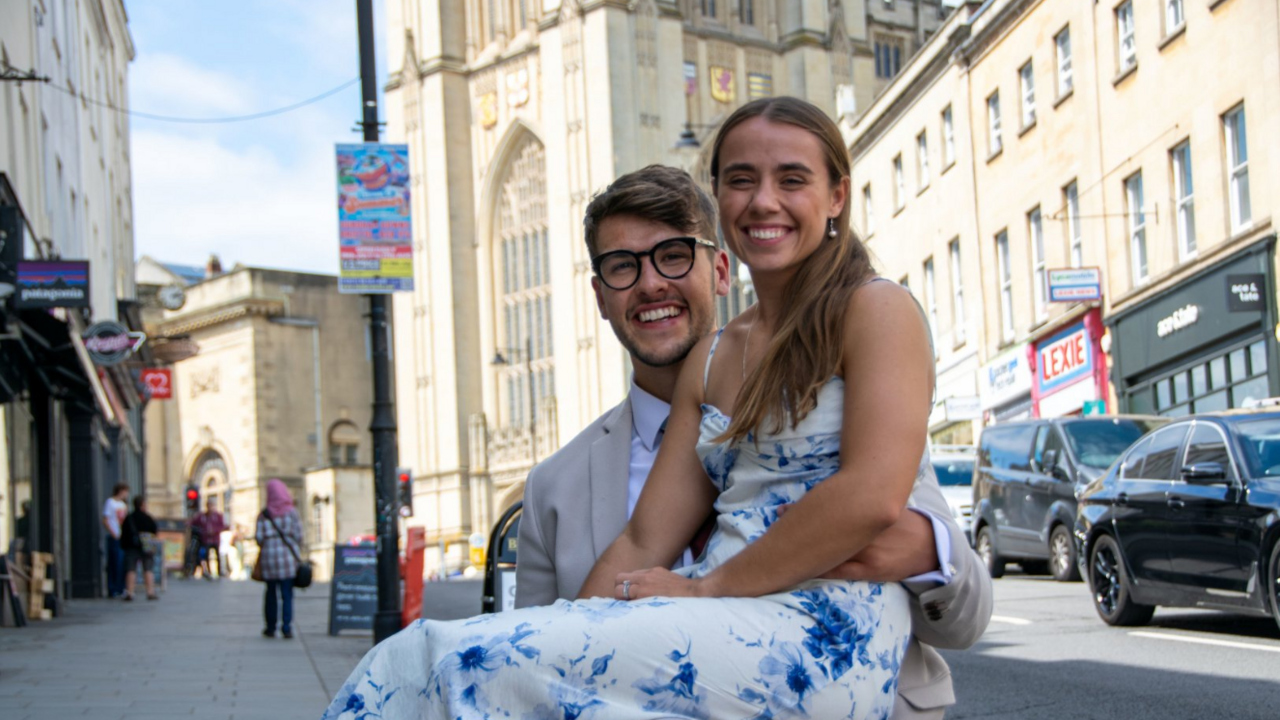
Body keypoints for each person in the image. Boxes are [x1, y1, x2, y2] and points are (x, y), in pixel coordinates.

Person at [325, 97, 948, 719]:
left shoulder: (876, 308)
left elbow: (871, 495)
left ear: (837, 195)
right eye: (741, 180)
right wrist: (561, 633)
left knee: (431, 659)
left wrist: (705, 589)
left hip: (819, 639)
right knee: (453, 670)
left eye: (792, 178)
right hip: (717, 631)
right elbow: (644, 538)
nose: (763, 200)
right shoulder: (713, 360)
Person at [516, 164, 991, 718]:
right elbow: (536, 665)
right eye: (623, 266)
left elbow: (969, 619)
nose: (650, 284)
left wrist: (930, 551)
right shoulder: (552, 489)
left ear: (720, 269)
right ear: (600, 296)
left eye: (673, 255)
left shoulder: (849, 406)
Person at [256, 479, 302, 639]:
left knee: (270, 593)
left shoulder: (264, 514)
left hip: (269, 559)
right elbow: (299, 535)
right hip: (287, 559)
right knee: (287, 594)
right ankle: (287, 627)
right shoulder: (291, 512)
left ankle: (270, 627)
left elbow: (259, 538)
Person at [120, 496, 158, 601]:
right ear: (142, 505)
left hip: (131, 547)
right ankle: (150, 592)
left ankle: (130, 592)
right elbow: (154, 530)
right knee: (148, 569)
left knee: (131, 569)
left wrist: (124, 545)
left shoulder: (129, 518)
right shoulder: (148, 518)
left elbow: (123, 533)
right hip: (146, 547)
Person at [101, 483, 129, 598]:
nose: (126, 494)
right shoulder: (110, 502)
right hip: (115, 537)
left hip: (122, 537)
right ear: (121, 490)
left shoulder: (123, 504)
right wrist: (113, 533)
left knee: (122, 563)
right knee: (114, 562)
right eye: (125, 491)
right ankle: (113, 588)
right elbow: (105, 519)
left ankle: (120, 587)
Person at [190, 498, 227, 579]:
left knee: (217, 555)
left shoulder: (218, 516)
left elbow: (222, 526)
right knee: (206, 556)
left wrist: (214, 531)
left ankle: (219, 571)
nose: (210, 507)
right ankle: (209, 571)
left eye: (211, 505)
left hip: (215, 539)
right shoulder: (202, 516)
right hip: (205, 539)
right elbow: (193, 522)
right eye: (208, 505)